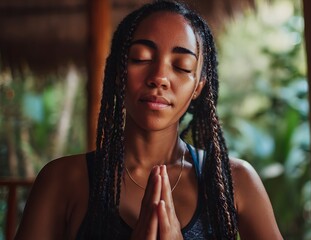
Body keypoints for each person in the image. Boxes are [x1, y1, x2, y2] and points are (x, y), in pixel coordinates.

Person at [15, 1, 282, 239]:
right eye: (141, 58)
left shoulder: (235, 181)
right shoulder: (63, 181)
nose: (159, 77)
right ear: (119, 72)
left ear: (198, 87)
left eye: (181, 66)